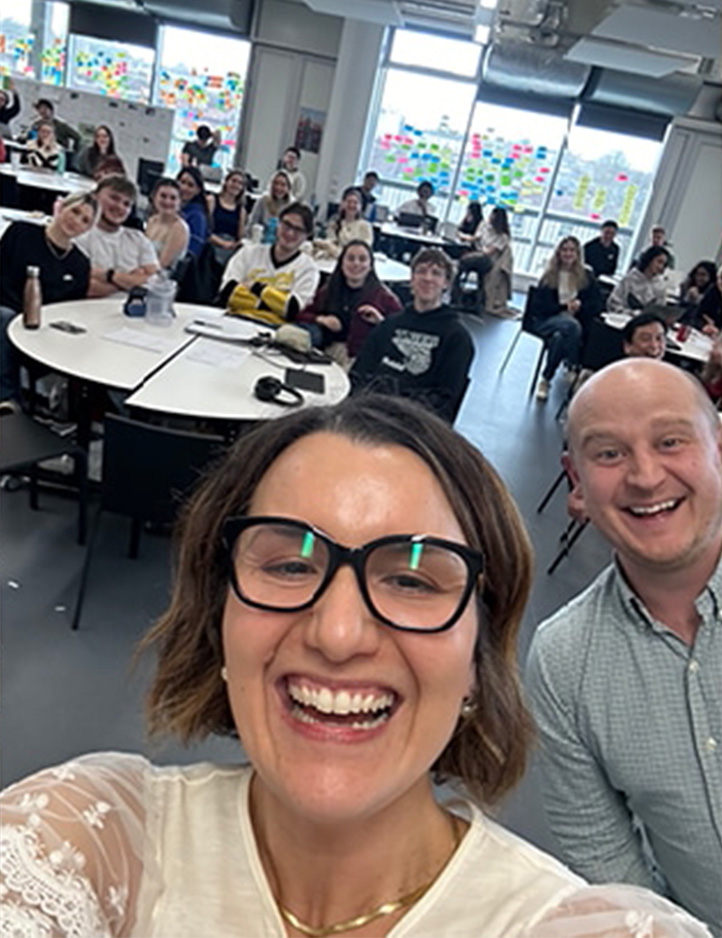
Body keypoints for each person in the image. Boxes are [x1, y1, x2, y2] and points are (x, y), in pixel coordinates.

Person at [1, 394, 712, 938]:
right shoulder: (95, 841)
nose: (338, 634)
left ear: (477, 655)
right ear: (220, 618)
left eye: (410, 580)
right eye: (288, 566)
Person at [526, 358, 722, 936]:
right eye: (609, 453)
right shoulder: (564, 664)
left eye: (670, 441)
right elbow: (617, 881)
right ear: (576, 482)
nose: (645, 476)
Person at [350, 247, 473, 422]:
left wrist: (394, 403)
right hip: (371, 412)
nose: (427, 278)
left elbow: (444, 402)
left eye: (436, 273)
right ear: (412, 279)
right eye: (421, 271)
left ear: (446, 283)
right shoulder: (388, 326)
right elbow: (359, 373)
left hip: (414, 422)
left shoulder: (457, 338)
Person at [0, 191, 96, 407]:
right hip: (7, 308)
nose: (76, 221)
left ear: (88, 229)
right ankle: (7, 398)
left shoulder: (80, 264)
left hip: (45, 325)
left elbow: (72, 307)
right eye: (75, 211)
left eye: (85, 220)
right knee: (3, 319)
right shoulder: (21, 233)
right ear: (61, 207)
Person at [298, 239, 402, 365]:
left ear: (370, 266)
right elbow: (302, 315)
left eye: (362, 259)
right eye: (350, 258)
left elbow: (401, 335)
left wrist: (380, 322)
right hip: (323, 351)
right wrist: (321, 319)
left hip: (361, 359)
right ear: (341, 263)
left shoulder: (384, 297)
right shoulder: (330, 289)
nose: (356, 263)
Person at [219, 202, 319, 326]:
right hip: (235, 320)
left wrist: (257, 288)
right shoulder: (249, 253)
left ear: (307, 236)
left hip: (273, 329)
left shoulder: (308, 269)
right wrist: (276, 304)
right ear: (278, 224)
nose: (290, 233)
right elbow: (227, 292)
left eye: (298, 230)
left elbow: (292, 310)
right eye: (287, 225)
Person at [530, 236, 602, 402]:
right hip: (548, 320)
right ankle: (572, 365)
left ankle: (545, 380)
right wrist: (564, 307)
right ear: (558, 252)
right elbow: (540, 308)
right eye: (564, 250)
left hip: (572, 324)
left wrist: (580, 305)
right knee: (572, 326)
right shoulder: (549, 275)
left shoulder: (586, 276)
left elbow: (597, 303)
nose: (568, 254)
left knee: (559, 338)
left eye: (572, 250)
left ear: (577, 254)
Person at [75, 174, 158, 297]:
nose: (120, 207)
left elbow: (154, 281)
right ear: (95, 197)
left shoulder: (138, 239)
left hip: (134, 306)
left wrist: (108, 276)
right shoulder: (79, 236)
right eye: (114, 198)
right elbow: (85, 287)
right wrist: (131, 281)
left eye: (126, 204)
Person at [452, 206, 513, 317]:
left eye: (493, 216)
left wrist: (477, 249)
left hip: (487, 260)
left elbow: (489, 252)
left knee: (463, 262)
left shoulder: (503, 237)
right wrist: (461, 235)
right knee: (462, 261)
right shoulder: (484, 225)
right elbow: (475, 238)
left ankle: (455, 293)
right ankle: (455, 292)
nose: (490, 217)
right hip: (478, 254)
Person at [608, 245, 668, 317]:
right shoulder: (630, 278)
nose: (661, 267)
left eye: (663, 264)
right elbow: (613, 303)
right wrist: (629, 313)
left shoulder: (660, 286)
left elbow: (661, 311)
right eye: (659, 262)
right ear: (649, 259)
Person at [145, 177, 190, 272]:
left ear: (179, 202)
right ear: (154, 197)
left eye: (173, 198)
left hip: (161, 276)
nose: (167, 201)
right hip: (144, 269)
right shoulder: (152, 220)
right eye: (163, 196)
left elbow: (162, 264)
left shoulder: (179, 228)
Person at [314, 186, 373, 259]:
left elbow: (365, 248)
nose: (352, 205)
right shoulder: (335, 224)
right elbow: (331, 241)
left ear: (360, 206)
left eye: (355, 202)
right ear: (343, 204)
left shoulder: (365, 226)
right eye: (349, 202)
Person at [207, 169, 247, 263]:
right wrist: (222, 243)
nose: (236, 185)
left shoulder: (241, 211)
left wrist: (234, 245)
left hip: (230, 248)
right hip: (211, 245)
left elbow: (240, 237)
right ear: (226, 182)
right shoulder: (211, 201)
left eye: (240, 183)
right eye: (233, 181)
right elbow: (205, 230)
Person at [249, 170, 293, 244]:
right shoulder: (262, 201)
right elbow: (252, 223)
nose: (278, 187)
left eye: (283, 185)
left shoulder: (292, 206)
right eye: (276, 183)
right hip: (260, 242)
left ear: (288, 188)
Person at [176, 166, 210, 258]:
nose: (184, 187)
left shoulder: (197, 216)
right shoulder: (173, 209)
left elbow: (192, 252)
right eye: (182, 182)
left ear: (197, 190)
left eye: (190, 185)